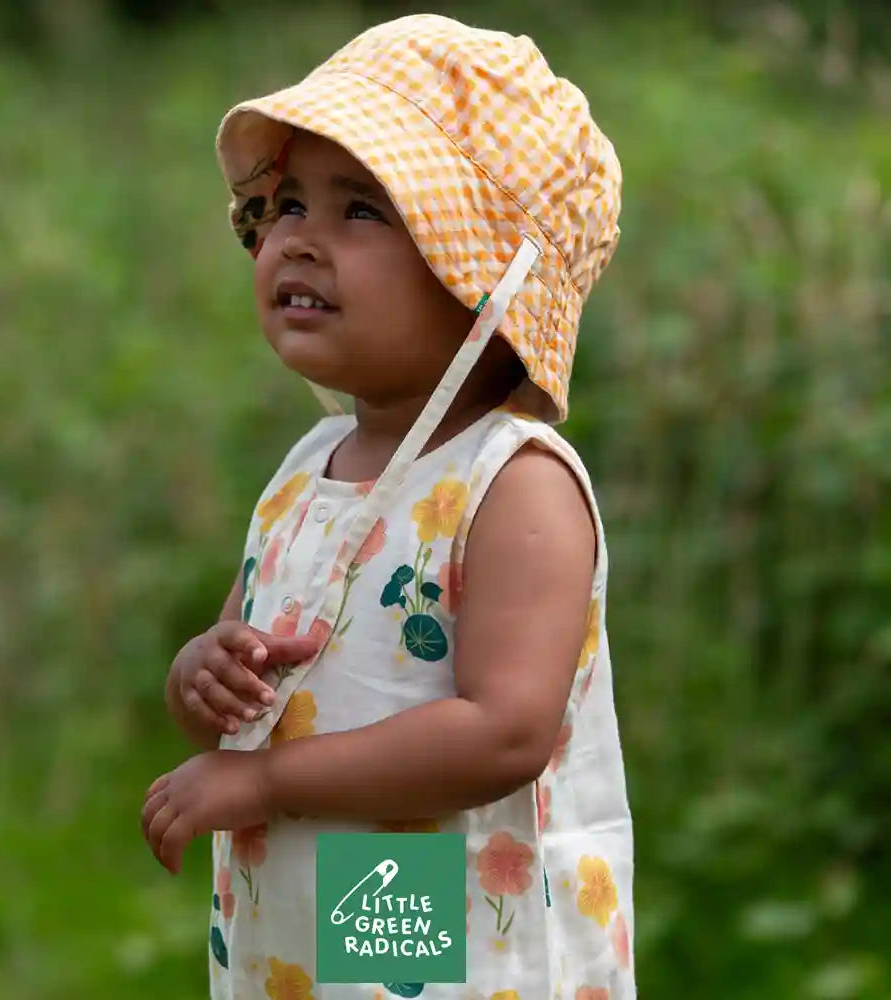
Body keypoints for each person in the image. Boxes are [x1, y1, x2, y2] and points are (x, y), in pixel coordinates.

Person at [141, 13, 634, 1000]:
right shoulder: (307, 468)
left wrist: (267, 784)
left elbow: (504, 731)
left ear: (492, 277)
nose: (296, 239)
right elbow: (259, 677)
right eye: (281, 204)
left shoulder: (513, 483)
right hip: (308, 943)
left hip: (453, 943)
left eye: (361, 209)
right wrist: (206, 673)